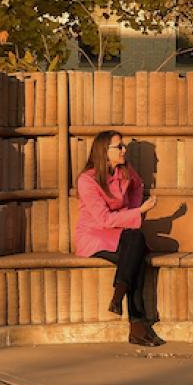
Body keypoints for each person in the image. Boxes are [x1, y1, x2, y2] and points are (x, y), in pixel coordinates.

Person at [74, 131, 162, 346]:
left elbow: (137, 186)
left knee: (135, 245)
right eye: (119, 147)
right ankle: (137, 325)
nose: (124, 150)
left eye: (123, 146)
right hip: (94, 235)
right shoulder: (87, 180)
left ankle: (119, 294)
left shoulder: (125, 171)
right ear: (104, 152)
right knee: (136, 254)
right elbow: (103, 219)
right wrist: (138, 211)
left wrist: (133, 209)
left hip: (120, 232)